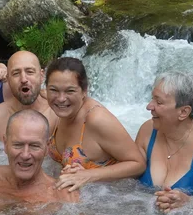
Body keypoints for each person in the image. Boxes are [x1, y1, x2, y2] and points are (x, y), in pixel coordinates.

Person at [45, 57, 146, 191]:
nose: (61, 98)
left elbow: (138, 164)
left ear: (84, 91)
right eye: (54, 90)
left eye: (70, 91)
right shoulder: (55, 113)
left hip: (111, 198)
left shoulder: (97, 119)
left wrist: (88, 175)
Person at [135, 72, 193, 212]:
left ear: (183, 112)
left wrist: (189, 203)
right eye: (152, 99)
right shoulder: (148, 130)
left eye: (158, 102)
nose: (149, 106)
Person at [0, 110, 78, 204]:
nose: (25, 155)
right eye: (18, 145)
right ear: (5, 144)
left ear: (47, 148)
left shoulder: (61, 197)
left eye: (34, 146)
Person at [0, 51, 56, 142]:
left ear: (42, 76)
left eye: (30, 72)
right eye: (16, 73)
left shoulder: (57, 114)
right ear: (8, 79)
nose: (24, 79)